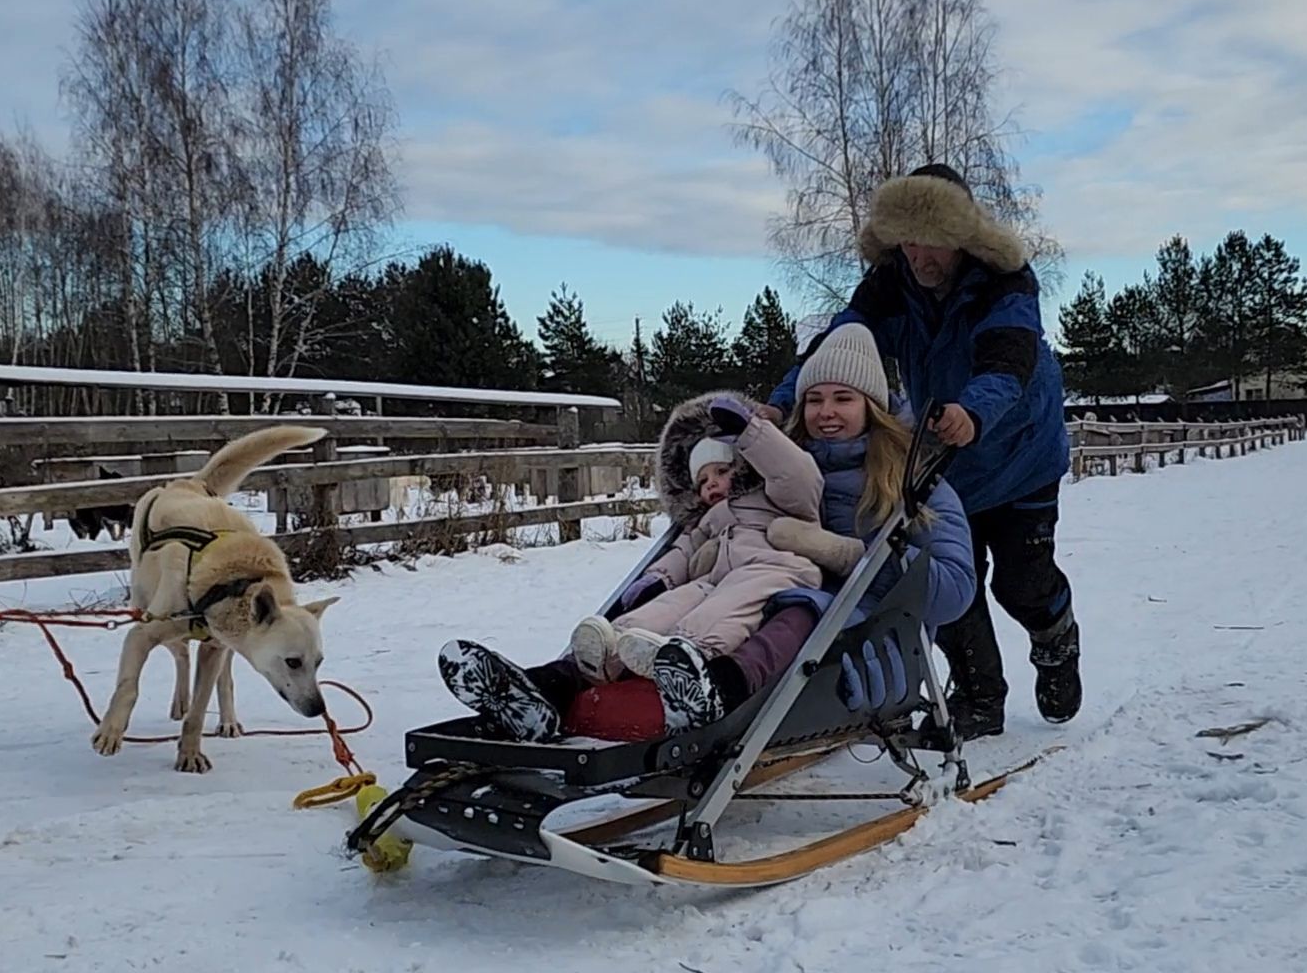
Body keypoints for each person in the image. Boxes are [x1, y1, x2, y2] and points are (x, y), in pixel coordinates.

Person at [435, 323, 978, 743]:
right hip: (740, 586)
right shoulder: (762, 468)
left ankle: (716, 685)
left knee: (791, 608)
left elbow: (955, 589)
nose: (825, 413)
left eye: (843, 399)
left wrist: (848, 556)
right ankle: (547, 689)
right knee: (653, 612)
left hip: (852, 629)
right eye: (814, 399)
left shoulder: (910, 485)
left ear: (874, 407)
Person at [760, 162, 1081, 738]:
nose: (917, 255)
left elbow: (1009, 361)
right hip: (943, 454)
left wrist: (973, 412)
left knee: (1020, 581)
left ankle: (1055, 638)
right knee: (943, 575)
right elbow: (837, 344)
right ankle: (980, 699)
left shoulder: (1004, 282)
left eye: (929, 241)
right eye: (905, 241)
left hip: (1018, 452)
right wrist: (781, 403)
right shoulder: (892, 284)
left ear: (960, 237)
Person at [440, 390, 824, 738]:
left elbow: (797, 473)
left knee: (724, 606)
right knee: (658, 611)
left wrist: (753, 435)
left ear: (746, 467)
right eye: (702, 480)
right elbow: (683, 553)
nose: (711, 485)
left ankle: (692, 659)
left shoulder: (776, 497)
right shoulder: (705, 522)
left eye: (721, 471)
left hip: (774, 570)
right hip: (713, 579)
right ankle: (549, 684)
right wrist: (657, 579)